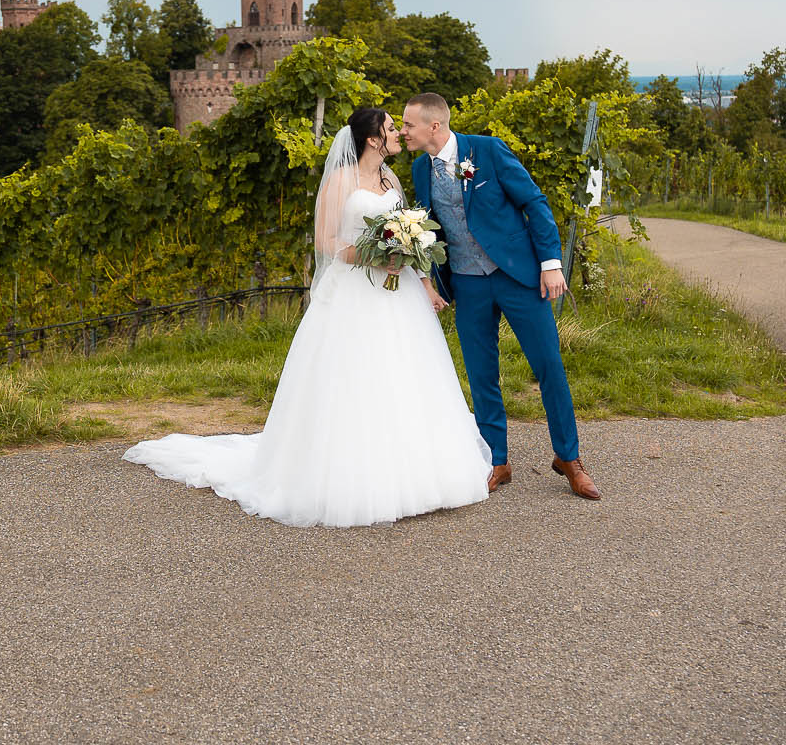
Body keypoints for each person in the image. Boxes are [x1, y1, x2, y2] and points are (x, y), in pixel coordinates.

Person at [122, 106, 492, 527]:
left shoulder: (391, 180)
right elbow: (326, 240)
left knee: (404, 370)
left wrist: (417, 272)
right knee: (352, 375)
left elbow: (408, 231)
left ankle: (417, 470)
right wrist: (372, 257)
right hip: (354, 288)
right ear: (372, 138)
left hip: (397, 291)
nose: (397, 134)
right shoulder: (341, 181)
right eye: (391, 128)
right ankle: (352, 473)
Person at [401, 93, 600, 500]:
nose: (403, 131)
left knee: (548, 365)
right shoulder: (421, 168)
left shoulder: (488, 151)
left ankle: (569, 458)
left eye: (408, 124)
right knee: (481, 373)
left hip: (517, 275)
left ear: (434, 126)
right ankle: (496, 460)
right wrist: (426, 277)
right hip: (467, 281)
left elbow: (534, 202)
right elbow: (429, 227)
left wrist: (550, 263)